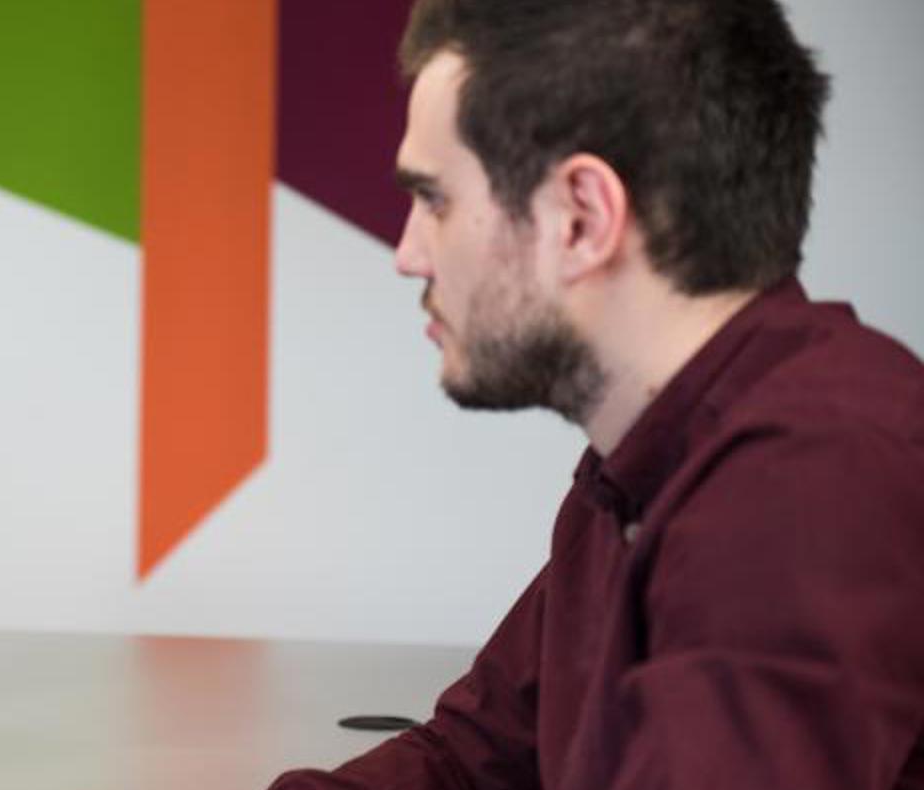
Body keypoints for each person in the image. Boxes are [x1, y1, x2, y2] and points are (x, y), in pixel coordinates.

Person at [270, 0, 924, 787]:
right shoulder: (638, 472)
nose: (408, 253)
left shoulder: (812, 479)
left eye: (434, 200)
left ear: (582, 218)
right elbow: (473, 760)